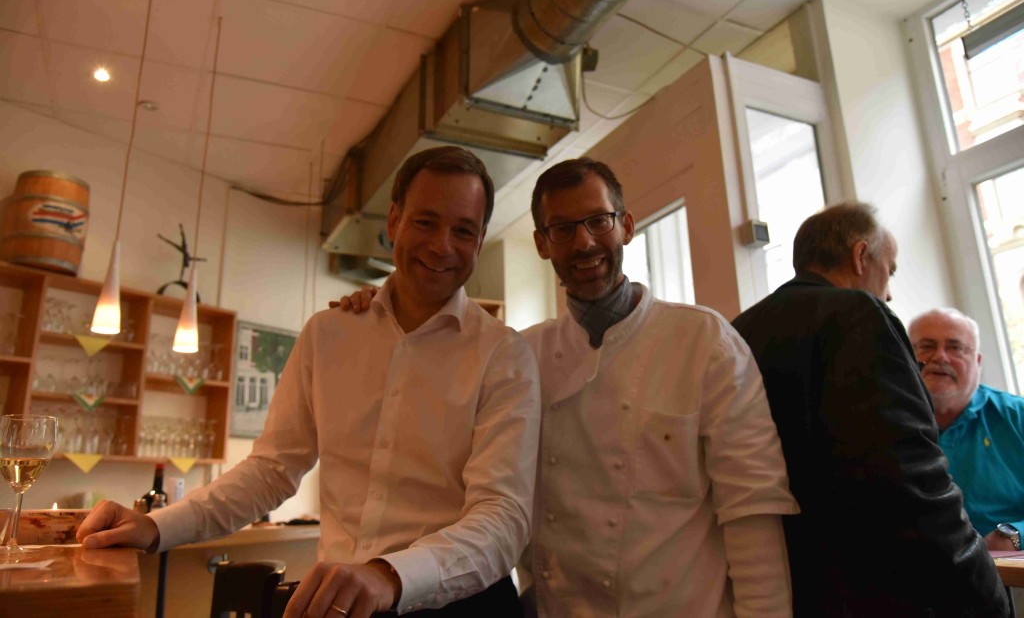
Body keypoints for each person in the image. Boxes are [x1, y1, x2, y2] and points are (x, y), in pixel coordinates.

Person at [77, 146, 541, 618]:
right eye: (426, 222)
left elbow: (503, 517)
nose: (442, 245)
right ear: (394, 220)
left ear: (480, 240)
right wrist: (156, 526)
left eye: (463, 230)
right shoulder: (329, 333)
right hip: (339, 604)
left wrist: (389, 575)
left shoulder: (504, 354)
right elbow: (272, 471)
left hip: (464, 606)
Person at [339, 158, 799, 617]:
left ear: (627, 226)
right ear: (542, 244)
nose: (584, 242)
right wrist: (381, 309)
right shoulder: (521, 356)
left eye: (599, 220)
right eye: (562, 228)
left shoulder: (705, 341)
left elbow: (751, 510)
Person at [731, 202, 1009, 617]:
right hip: (875, 590)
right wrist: (987, 594)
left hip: (783, 585)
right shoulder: (859, 314)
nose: (890, 291)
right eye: (890, 270)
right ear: (861, 256)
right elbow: (911, 480)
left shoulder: (739, 330)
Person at [909, 307, 1024, 553]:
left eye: (956, 348)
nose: (940, 357)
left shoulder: (1018, 417)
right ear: (905, 357)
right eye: (927, 346)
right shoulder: (880, 424)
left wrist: (1015, 535)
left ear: (977, 362)